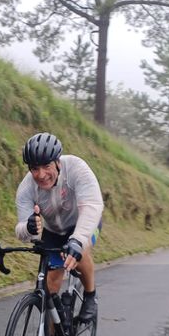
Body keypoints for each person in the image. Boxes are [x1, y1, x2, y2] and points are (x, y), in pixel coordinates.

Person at [15, 132, 104, 322]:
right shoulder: (26, 188)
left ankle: (90, 296)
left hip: (86, 223)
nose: (41, 175)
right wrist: (29, 228)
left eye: (46, 166)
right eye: (34, 169)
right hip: (54, 230)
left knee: (80, 252)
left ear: (57, 162)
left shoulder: (76, 168)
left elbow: (92, 206)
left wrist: (78, 240)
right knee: (49, 287)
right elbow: (21, 231)